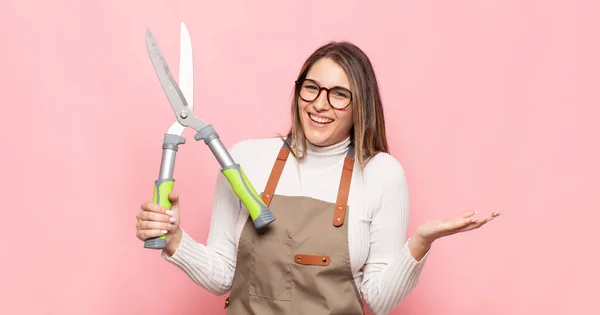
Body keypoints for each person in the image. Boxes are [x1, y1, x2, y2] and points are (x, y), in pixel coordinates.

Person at [135, 41, 501, 315]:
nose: (320, 104)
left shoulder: (381, 174)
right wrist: (175, 240)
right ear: (298, 92)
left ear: (361, 105)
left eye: (339, 94)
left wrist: (420, 242)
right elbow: (221, 276)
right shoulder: (244, 158)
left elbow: (379, 299)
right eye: (311, 88)